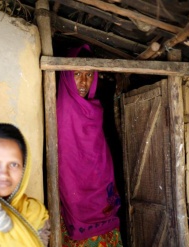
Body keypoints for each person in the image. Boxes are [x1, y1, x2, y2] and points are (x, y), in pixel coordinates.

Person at [57, 44, 123, 246]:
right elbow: (67, 162)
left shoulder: (95, 108)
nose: (83, 82)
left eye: (88, 75)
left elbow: (99, 154)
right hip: (77, 196)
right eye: (77, 74)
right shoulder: (63, 110)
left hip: (102, 191)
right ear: (67, 77)